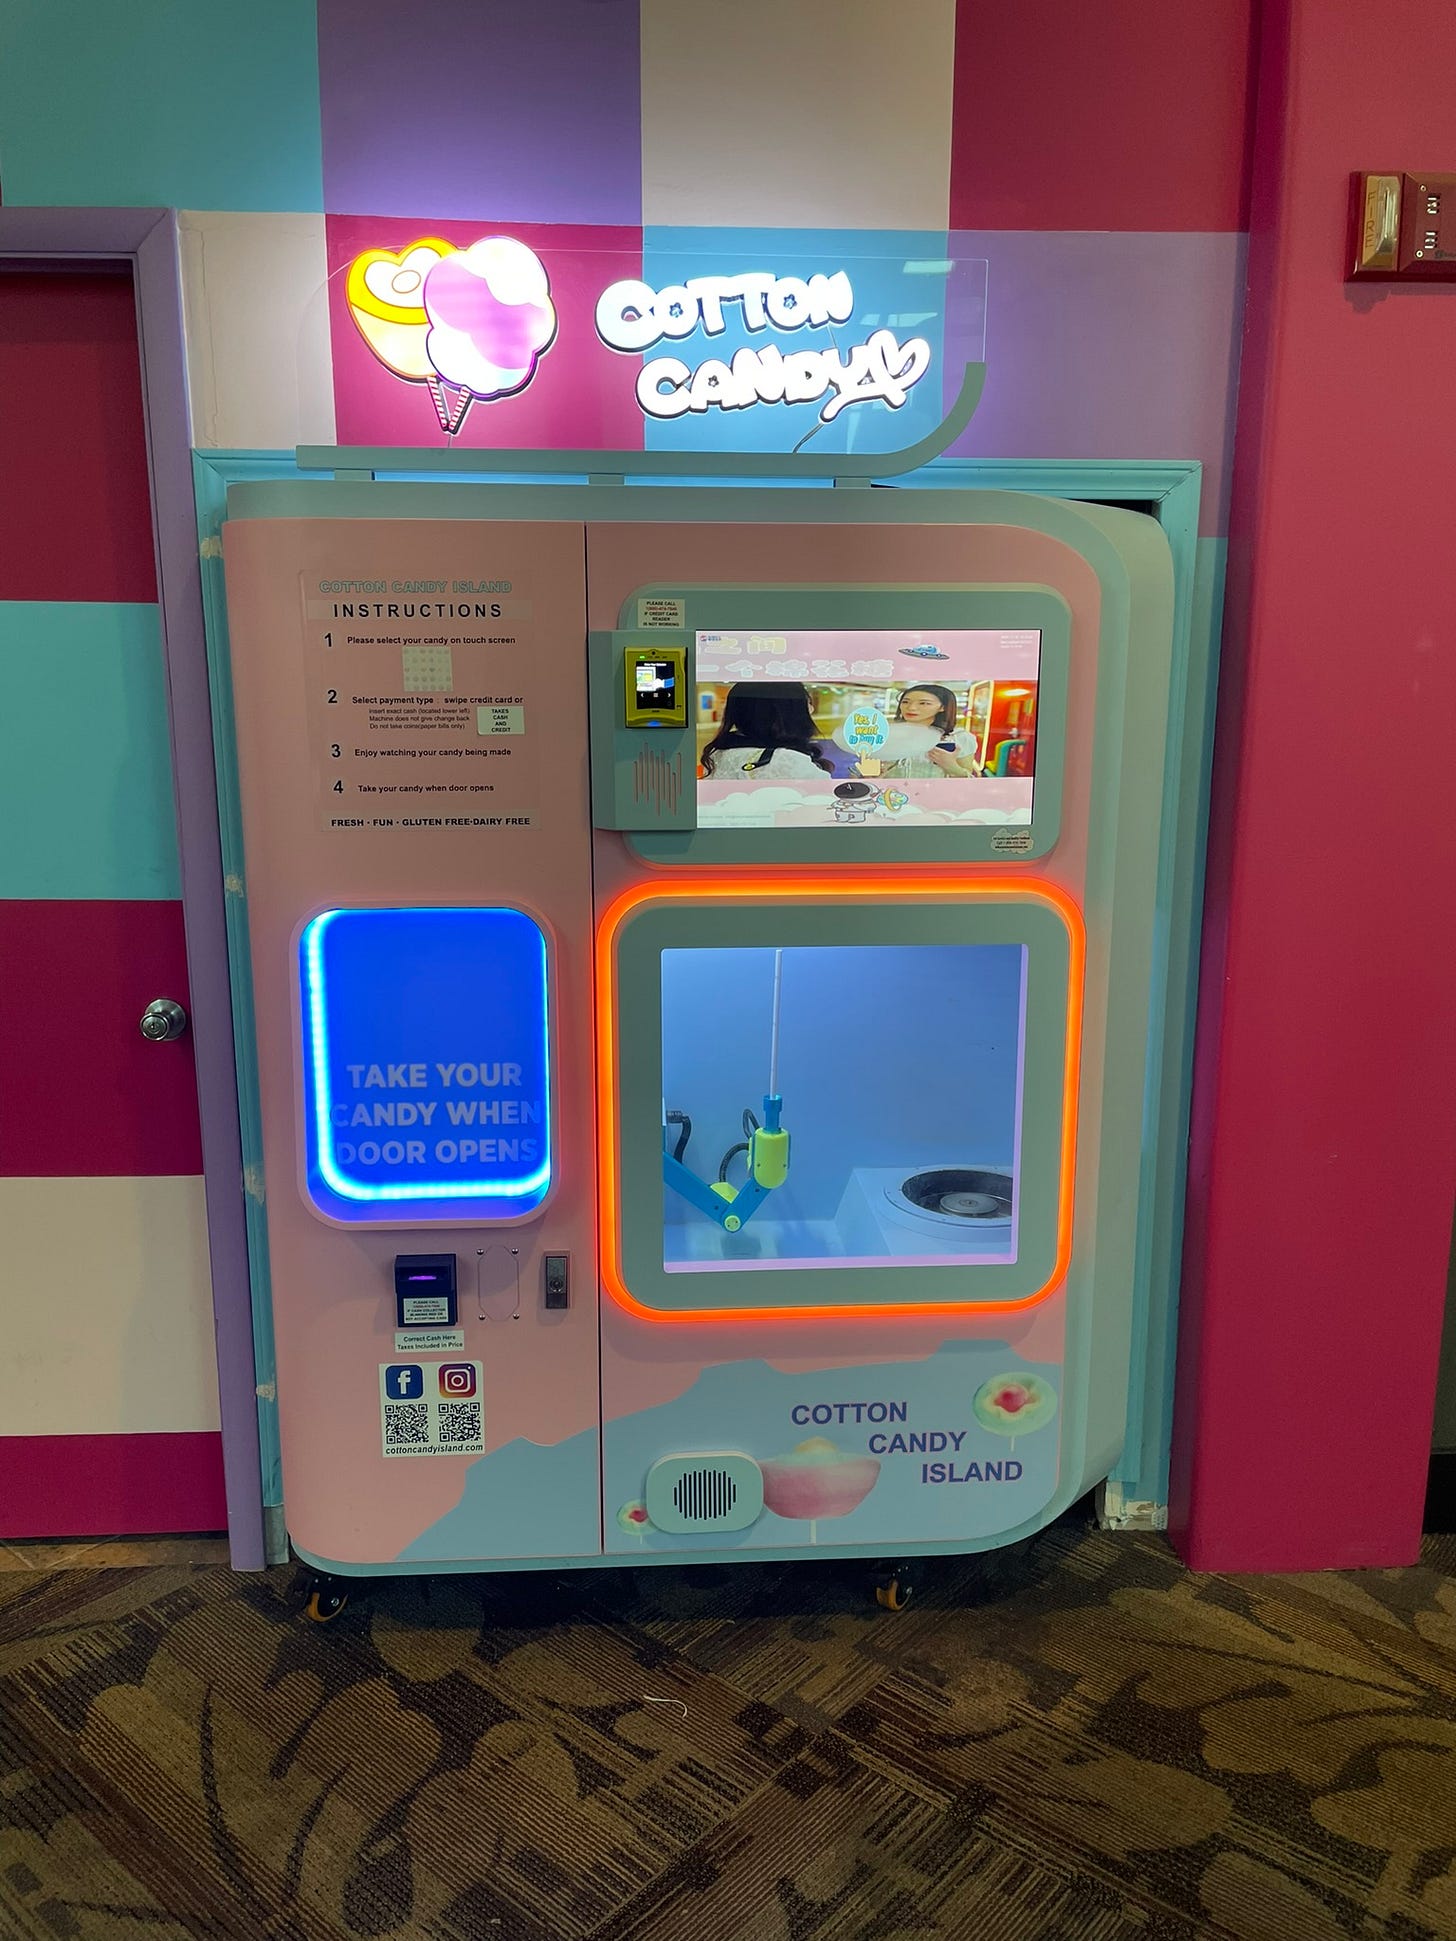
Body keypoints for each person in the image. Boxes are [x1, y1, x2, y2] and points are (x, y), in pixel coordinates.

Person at [699, 683, 836, 780]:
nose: (811, 710)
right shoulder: (786, 760)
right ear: (789, 713)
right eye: (807, 704)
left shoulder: (717, 754)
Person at [874, 683, 983, 778]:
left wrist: (951, 766)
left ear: (942, 707)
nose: (911, 708)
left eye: (923, 703)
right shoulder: (887, 734)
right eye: (905, 702)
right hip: (892, 796)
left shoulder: (959, 737)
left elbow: (967, 780)